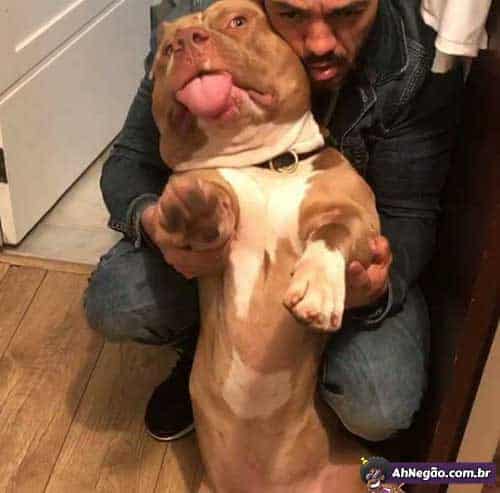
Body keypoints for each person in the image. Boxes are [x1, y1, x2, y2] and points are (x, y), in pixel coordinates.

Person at [84, 0, 462, 442]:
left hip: (341, 246)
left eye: (347, 13)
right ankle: (212, 352)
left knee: (379, 402)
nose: (319, 43)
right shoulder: (200, 29)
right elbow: (130, 161)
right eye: (292, 14)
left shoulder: (417, 57)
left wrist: (379, 286)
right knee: (120, 300)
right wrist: (158, 226)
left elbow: (409, 213)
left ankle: (303, 376)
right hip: (226, 247)